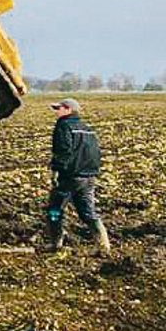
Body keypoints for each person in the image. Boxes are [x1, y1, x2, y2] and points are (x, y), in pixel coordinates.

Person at [45, 98, 109, 252]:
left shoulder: (63, 126)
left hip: (70, 177)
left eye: (59, 108)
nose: (56, 112)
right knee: (87, 212)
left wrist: (56, 170)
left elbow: (63, 150)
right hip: (88, 176)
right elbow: (95, 152)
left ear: (68, 109)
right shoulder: (87, 128)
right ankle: (103, 244)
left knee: (54, 209)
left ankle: (55, 243)